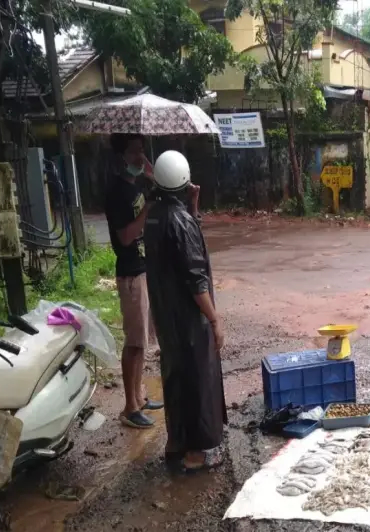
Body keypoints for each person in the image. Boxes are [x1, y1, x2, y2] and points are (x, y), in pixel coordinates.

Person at [144, 150, 228, 472]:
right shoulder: (179, 221)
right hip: (189, 320)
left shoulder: (154, 216)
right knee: (198, 381)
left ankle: (177, 443)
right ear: (184, 179)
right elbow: (195, 279)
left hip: (168, 318)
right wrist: (214, 319)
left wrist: (192, 209)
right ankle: (199, 453)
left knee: (176, 379)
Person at [105, 134, 164, 429]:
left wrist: (150, 171)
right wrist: (147, 210)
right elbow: (126, 236)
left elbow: (158, 184)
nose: (139, 157)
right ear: (119, 158)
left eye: (142, 150)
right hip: (130, 272)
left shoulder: (136, 185)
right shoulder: (117, 192)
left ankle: (139, 397)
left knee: (143, 341)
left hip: (142, 269)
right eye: (133, 152)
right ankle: (129, 407)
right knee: (135, 342)